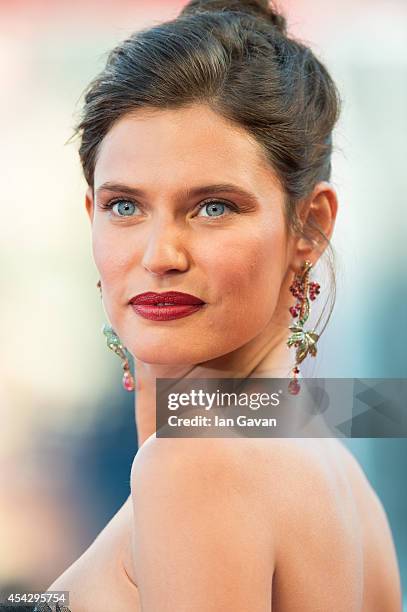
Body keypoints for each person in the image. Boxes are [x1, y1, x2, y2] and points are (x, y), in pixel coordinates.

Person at [46, 0, 402, 610]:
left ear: (309, 228)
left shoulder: (195, 461)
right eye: (125, 206)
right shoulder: (332, 466)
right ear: (91, 216)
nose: (160, 254)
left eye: (213, 206)